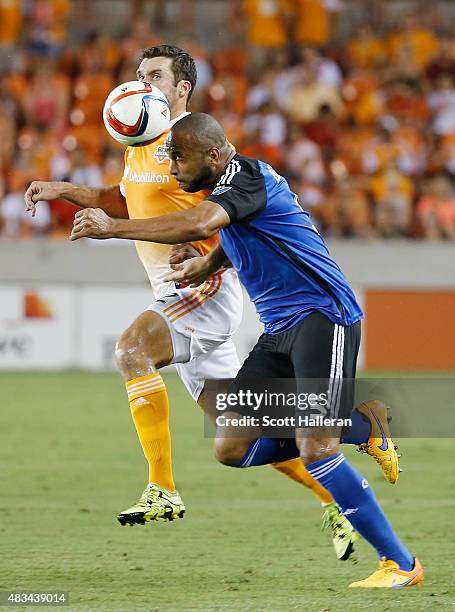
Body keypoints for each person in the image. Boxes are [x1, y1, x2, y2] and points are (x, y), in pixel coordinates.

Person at [26, 45, 365, 560]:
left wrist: (123, 233)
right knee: (242, 431)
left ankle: (162, 489)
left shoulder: (194, 146)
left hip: (201, 286)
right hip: (173, 288)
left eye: (156, 76)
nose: (143, 84)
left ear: (183, 87)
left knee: (132, 349)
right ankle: (341, 489)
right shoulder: (140, 141)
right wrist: (64, 189)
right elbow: (126, 198)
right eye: (139, 75)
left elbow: (207, 219)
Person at [67, 112, 422, 588]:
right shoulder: (230, 188)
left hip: (323, 315)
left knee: (316, 447)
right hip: (279, 329)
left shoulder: (246, 174)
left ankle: (400, 564)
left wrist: (113, 227)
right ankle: (363, 422)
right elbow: (245, 233)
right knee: (232, 445)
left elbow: (199, 222)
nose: (170, 166)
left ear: (213, 155)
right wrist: (206, 264)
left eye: (179, 157)